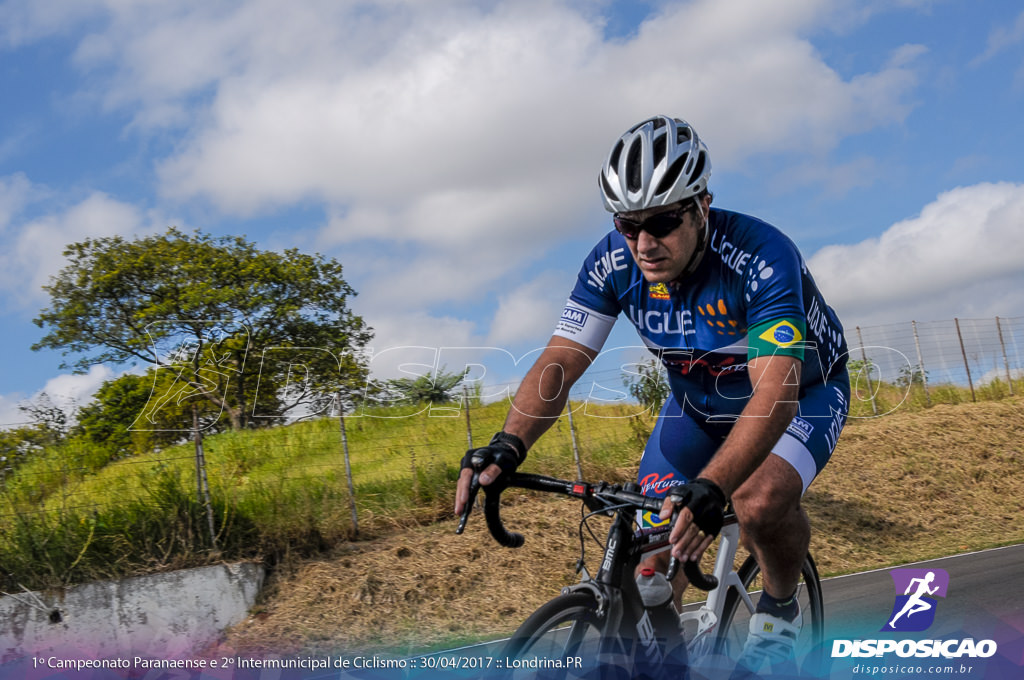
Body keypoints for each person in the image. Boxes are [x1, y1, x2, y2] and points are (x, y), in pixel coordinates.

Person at [454, 115, 850, 670]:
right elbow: (561, 361)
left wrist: (714, 485)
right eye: (627, 224)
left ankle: (779, 612)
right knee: (650, 558)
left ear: (702, 206)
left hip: (800, 394)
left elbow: (774, 395)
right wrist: (508, 443)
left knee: (756, 502)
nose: (644, 243)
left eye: (662, 222)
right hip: (695, 405)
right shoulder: (613, 263)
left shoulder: (761, 256)